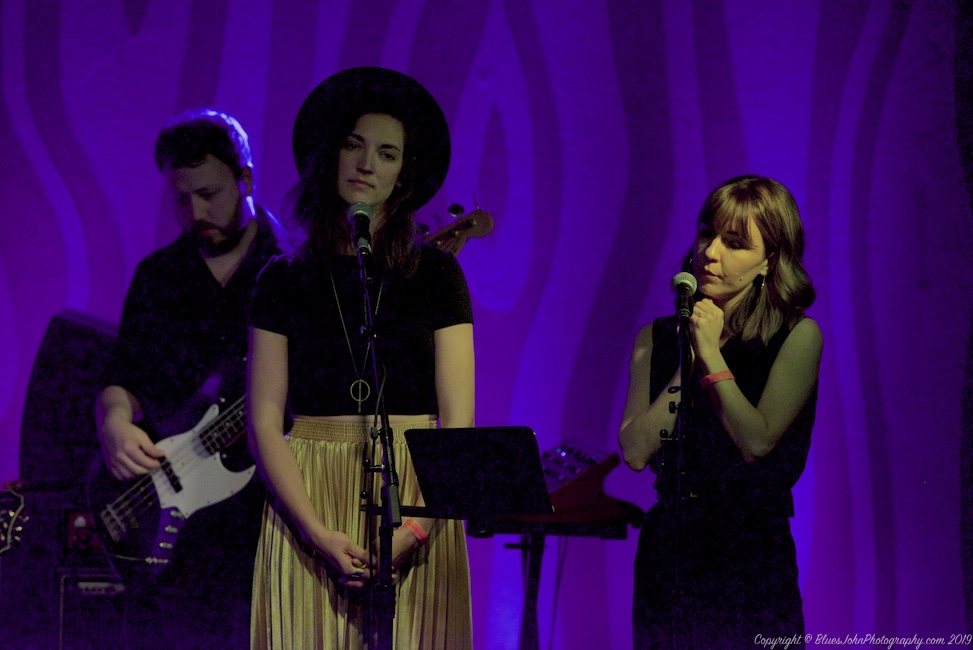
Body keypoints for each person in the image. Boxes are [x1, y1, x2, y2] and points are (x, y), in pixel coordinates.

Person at [247, 67, 475, 650]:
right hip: (307, 497)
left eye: (387, 153)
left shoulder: (438, 275)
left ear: (404, 174)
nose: (367, 164)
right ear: (331, 155)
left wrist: (416, 529)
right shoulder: (282, 280)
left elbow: (458, 420)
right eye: (354, 145)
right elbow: (265, 420)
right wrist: (316, 532)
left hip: (418, 496)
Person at [96, 109, 287, 649]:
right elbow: (123, 373)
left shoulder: (296, 270)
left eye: (209, 194)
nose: (196, 213)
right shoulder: (158, 275)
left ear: (245, 179)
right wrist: (114, 422)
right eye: (181, 199)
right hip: (168, 534)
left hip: (265, 519)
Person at [618, 175, 821, 649]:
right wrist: (688, 357)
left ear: (770, 261)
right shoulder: (656, 337)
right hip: (670, 549)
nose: (710, 253)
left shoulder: (797, 337)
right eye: (706, 234)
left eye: (735, 243)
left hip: (749, 551)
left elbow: (757, 442)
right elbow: (635, 451)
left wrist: (712, 355)